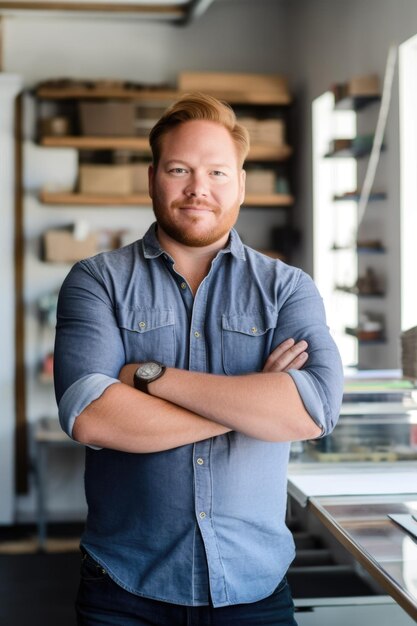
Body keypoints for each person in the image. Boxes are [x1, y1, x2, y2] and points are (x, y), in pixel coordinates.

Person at [54, 92, 344, 626]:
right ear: (152, 177)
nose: (198, 189)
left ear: (241, 184)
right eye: (179, 169)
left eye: (217, 172)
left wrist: (150, 380)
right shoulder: (96, 281)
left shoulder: (287, 289)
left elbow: (315, 410)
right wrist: (252, 400)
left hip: (253, 588)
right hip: (124, 589)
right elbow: (89, 415)